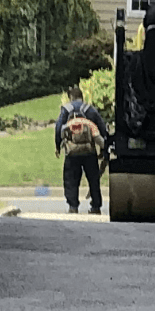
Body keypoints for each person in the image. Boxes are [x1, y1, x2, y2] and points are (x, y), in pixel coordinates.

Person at [55, 84, 108, 215]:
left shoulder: (66, 110)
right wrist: (103, 149)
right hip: (89, 151)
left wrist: (58, 146)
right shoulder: (90, 110)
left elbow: (58, 128)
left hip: (72, 152)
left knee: (71, 179)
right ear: (81, 97)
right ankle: (95, 206)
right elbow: (101, 128)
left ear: (71, 97)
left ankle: (73, 206)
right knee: (93, 179)